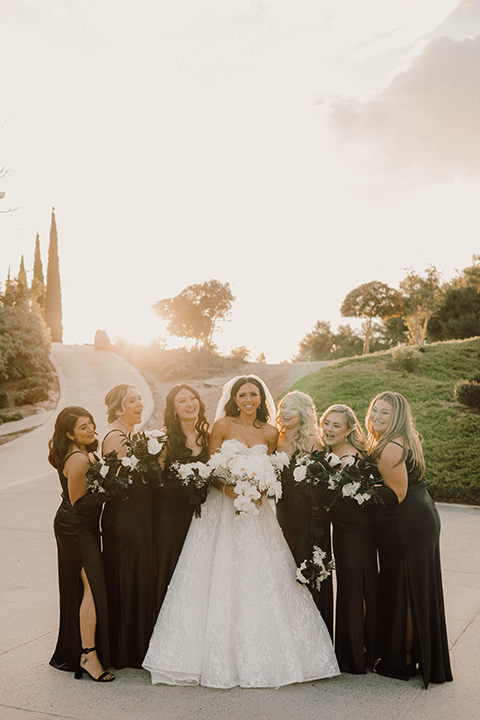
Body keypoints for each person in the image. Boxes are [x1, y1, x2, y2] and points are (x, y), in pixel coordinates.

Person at [143, 376, 339, 688]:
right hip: (220, 510)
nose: (248, 399)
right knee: (214, 575)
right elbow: (209, 468)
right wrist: (228, 488)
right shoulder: (222, 425)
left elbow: (273, 471)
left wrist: (261, 490)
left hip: (256, 515)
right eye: (242, 394)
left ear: (261, 399)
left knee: (258, 576)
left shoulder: (271, 432)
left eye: (253, 394)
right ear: (234, 398)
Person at [365, 391, 453, 688]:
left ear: (397, 417)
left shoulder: (389, 448)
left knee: (406, 588)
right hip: (421, 518)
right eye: (375, 410)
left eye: (384, 413)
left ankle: (401, 659)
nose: (377, 416)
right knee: (411, 585)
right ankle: (413, 654)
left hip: (406, 525)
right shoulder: (406, 438)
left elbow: (396, 494)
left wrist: (357, 491)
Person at [48, 406, 114, 682]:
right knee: (92, 587)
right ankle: (88, 654)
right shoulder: (77, 459)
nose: (90, 430)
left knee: (88, 586)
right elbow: (79, 501)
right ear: (68, 433)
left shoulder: (86, 451)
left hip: (83, 526)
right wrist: (113, 490)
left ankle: (82, 648)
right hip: (75, 528)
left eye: (91, 424)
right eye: (82, 427)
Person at [101, 384, 156, 669]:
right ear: (119, 407)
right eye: (132, 401)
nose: (139, 405)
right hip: (124, 518)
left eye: (139, 400)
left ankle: (135, 646)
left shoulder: (131, 434)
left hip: (137, 516)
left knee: (136, 577)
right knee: (125, 577)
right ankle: (122, 650)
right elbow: (128, 483)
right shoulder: (116, 437)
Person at [319, 404, 377, 674]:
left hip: (356, 532)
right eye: (326, 423)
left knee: (355, 588)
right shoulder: (331, 452)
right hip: (343, 531)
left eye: (336, 425)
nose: (329, 429)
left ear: (349, 430)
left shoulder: (351, 457)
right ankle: (356, 650)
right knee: (352, 587)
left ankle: (358, 653)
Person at [276, 391, 334, 637]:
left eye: (293, 408)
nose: (286, 412)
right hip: (280, 518)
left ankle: (313, 637)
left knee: (307, 572)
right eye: (283, 407)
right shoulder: (274, 441)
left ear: (304, 413)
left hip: (308, 520)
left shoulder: (312, 442)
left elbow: (324, 487)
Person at [154, 384, 210, 615]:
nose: (190, 404)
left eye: (193, 398)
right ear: (174, 410)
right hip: (172, 518)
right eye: (183, 401)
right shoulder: (165, 441)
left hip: (204, 515)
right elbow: (157, 483)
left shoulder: (209, 437)